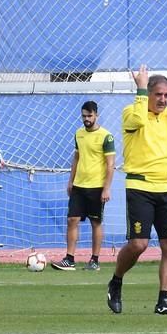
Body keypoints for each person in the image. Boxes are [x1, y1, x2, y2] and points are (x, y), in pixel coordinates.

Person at [107, 65, 167, 315]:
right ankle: (116, 280)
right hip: (140, 187)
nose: (163, 99)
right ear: (147, 94)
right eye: (158, 94)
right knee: (138, 244)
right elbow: (138, 119)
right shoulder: (131, 112)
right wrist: (139, 88)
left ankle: (164, 301)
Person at [52, 101, 115, 271]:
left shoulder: (106, 136)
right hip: (79, 186)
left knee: (96, 222)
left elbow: (110, 165)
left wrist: (106, 188)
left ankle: (94, 260)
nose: (86, 119)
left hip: (97, 187)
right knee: (72, 219)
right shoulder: (78, 134)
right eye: (84, 116)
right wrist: (71, 180)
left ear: (96, 115)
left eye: (90, 116)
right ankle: (69, 259)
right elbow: (77, 158)